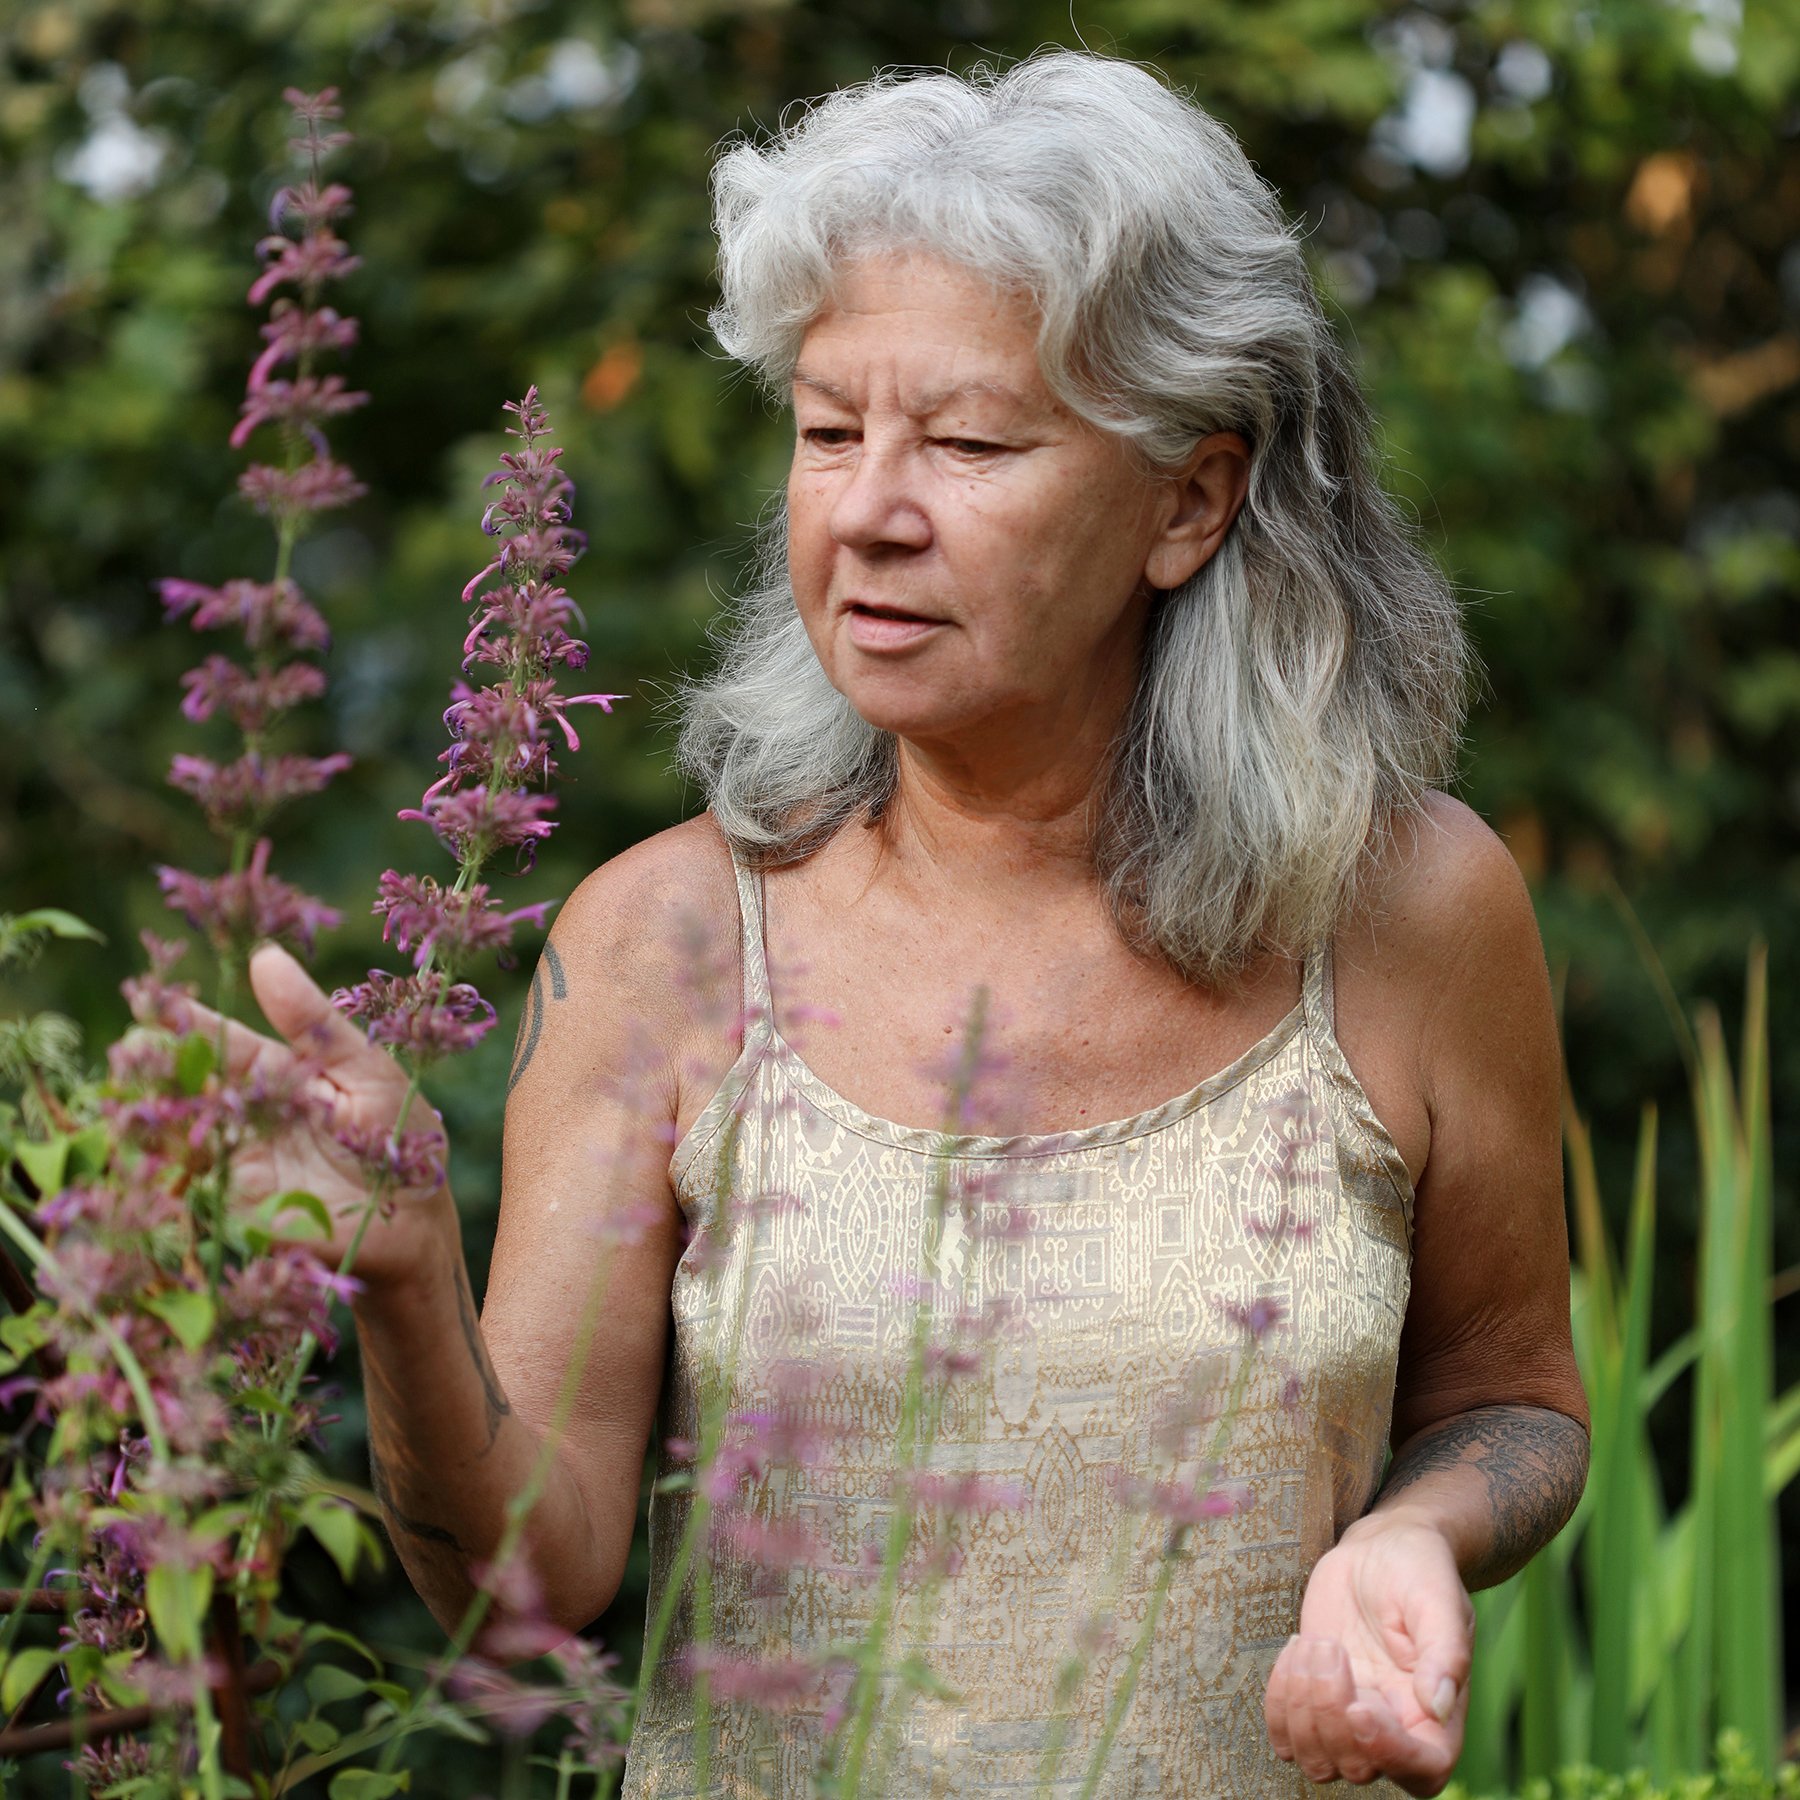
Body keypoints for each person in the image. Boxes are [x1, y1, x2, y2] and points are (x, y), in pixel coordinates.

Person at [209, 50, 1588, 1799]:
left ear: (1190, 499)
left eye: (970, 441)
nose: (870, 509)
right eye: (829, 429)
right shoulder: (664, 938)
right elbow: (524, 1594)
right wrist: (403, 1278)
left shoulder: (1407, 911)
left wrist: (1416, 1532)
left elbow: (1518, 1400)